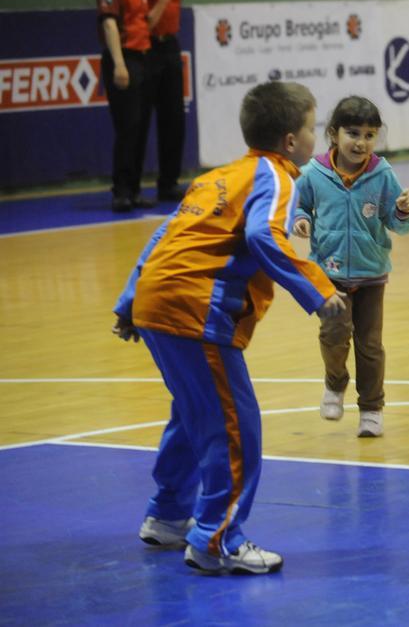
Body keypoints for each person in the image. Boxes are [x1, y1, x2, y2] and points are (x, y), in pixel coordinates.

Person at [111, 81, 346, 575]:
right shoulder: (281, 178)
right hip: (196, 311)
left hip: (159, 300)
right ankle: (217, 540)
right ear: (289, 141)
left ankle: (170, 515)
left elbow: (163, 233)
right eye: (310, 126)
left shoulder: (218, 177)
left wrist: (131, 300)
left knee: (193, 414)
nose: (315, 135)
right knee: (235, 428)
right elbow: (264, 234)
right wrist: (319, 292)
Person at [292, 96, 409, 438]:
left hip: (372, 273)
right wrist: (301, 219)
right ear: (333, 134)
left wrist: (403, 211)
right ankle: (335, 383)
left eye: (369, 135)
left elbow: (399, 223)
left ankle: (372, 407)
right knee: (333, 333)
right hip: (328, 274)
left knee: (370, 344)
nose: (361, 142)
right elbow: (297, 204)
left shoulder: (382, 174)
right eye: (353, 133)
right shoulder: (313, 174)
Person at [97, 0, 173, 212]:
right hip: (124, 59)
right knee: (127, 127)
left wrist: (163, 1)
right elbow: (109, 25)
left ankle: (135, 188)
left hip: (143, 59)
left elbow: (147, 23)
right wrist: (118, 63)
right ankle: (121, 191)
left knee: (140, 127)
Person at [137, 0, 189, 202]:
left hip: (170, 45)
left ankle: (168, 183)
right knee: (139, 118)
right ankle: (131, 187)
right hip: (146, 47)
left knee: (174, 118)